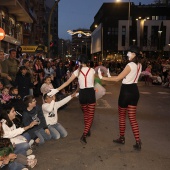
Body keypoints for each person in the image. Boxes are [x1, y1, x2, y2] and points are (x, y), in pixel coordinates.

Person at [98, 45, 142, 150]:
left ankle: (122, 138)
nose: (127, 54)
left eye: (129, 52)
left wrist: (102, 77)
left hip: (126, 91)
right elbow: (123, 77)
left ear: (134, 54)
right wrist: (109, 76)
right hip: (134, 91)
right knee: (132, 118)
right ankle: (138, 141)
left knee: (122, 116)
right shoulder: (139, 65)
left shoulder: (130, 65)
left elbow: (117, 78)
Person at [48, 54, 96, 144]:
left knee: (85, 114)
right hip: (90, 93)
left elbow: (67, 83)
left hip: (82, 94)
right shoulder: (92, 70)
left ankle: (87, 129)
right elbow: (92, 83)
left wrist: (57, 89)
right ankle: (84, 134)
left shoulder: (77, 72)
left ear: (80, 62)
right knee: (90, 116)